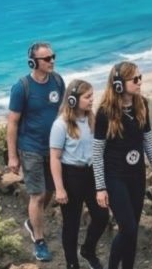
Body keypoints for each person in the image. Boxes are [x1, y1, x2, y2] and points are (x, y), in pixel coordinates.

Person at [93, 62, 152, 269]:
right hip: (115, 177)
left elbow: (148, 141)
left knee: (132, 230)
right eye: (135, 79)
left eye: (140, 77)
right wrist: (100, 187)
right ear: (118, 84)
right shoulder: (104, 112)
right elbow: (97, 153)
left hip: (137, 176)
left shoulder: (142, 104)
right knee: (128, 228)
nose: (140, 82)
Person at [6, 41, 66, 263]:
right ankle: (39, 241)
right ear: (33, 62)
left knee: (49, 191)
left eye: (53, 57)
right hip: (30, 148)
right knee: (37, 194)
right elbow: (12, 123)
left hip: (53, 149)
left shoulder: (58, 81)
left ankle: (33, 222)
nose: (52, 61)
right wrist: (12, 156)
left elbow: (62, 111)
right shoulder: (22, 87)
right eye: (47, 58)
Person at [50, 79, 108, 269]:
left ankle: (88, 250)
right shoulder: (60, 124)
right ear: (73, 100)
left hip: (91, 174)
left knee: (101, 216)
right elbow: (55, 158)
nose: (92, 100)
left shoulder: (92, 119)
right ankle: (72, 263)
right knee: (71, 223)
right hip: (71, 176)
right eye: (87, 97)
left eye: (92, 96)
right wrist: (59, 188)